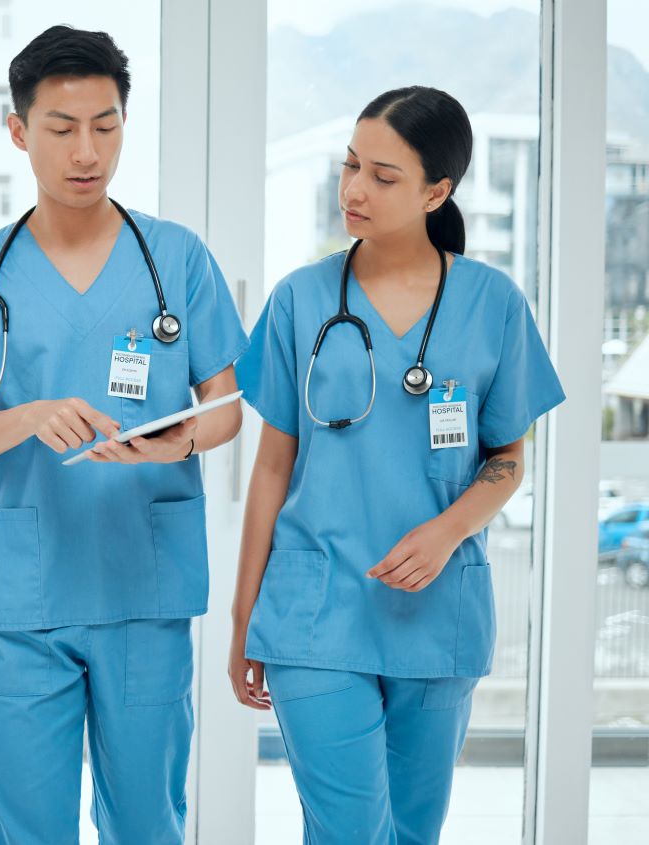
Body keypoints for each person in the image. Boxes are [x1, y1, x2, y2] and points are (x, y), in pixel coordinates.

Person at [0, 25, 249, 845]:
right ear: (20, 132)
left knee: (145, 820)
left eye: (107, 124)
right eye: (62, 128)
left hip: (144, 587)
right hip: (29, 596)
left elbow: (227, 406)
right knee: (27, 825)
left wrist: (180, 443)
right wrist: (28, 416)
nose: (87, 150)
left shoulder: (177, 259)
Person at [229, 86, 565, 845]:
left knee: (412, 831)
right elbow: (272, 468)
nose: (354, 189)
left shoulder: (494, 304)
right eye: (351, 166)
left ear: (436, 190)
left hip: (435, 614)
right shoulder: (300, 300)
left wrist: (449, 530)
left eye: (383, 176)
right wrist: (242, 615)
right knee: (348, 829)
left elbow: (509, 460)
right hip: (313, 615)